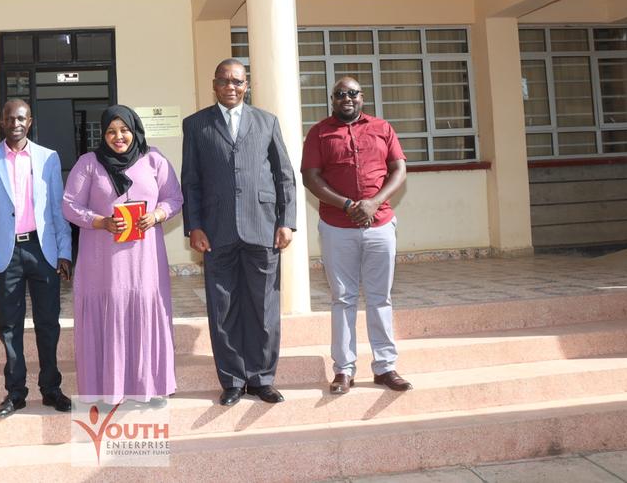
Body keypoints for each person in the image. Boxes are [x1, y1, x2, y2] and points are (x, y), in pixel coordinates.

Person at [181, 58, 297, 406]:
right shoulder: (196, 125)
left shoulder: (266, 122)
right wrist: (194, 226)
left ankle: (262, 378)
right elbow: (191, 181)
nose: (231, 87)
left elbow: (284, 175)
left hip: (262, 228)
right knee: (223, 307)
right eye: (225, 81)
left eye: (238, 82)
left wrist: (286, 221)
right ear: (214, 84)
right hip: (216, 232)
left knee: (263, 307)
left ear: (247, 86)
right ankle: (232, 380)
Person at [62, 105, 183, 405]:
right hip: (104, 261)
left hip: (146, 259)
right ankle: (107, 390)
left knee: (145, 310)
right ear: (103, 135)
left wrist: (156, 215)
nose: (119, 137)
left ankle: (151, 386)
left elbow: (175, 197)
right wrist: (100, 221)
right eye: (111, 131)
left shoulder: (154, 159)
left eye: (124, 130)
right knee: (111, 314)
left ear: (135, 130)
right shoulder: (89, 163)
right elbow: (69, 205)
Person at [300, 76, 412, 394]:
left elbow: (399, 169)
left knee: (380, 298)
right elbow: (310, 177)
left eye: (352, 93)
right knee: (343, 299)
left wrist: (374, 202)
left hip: (380, 226)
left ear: (362, 97)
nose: (346, 98)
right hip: (338, 227)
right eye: (340, 94)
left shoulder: (382, 128)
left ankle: (385, 367)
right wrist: (348, 204)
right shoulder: (320, 132)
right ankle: (344, 370)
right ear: (332, 100)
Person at [0, 99, 73, 416]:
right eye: (9, 118)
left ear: (30, 121)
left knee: (48, 324)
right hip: (6, 254)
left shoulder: (48, 159)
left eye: (21, 118)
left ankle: (51, 388)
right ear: (2, 122)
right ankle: (15, 393)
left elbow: (58, 209)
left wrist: (65, 251)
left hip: (42, 252)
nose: (15, 123)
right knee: (10, 327)